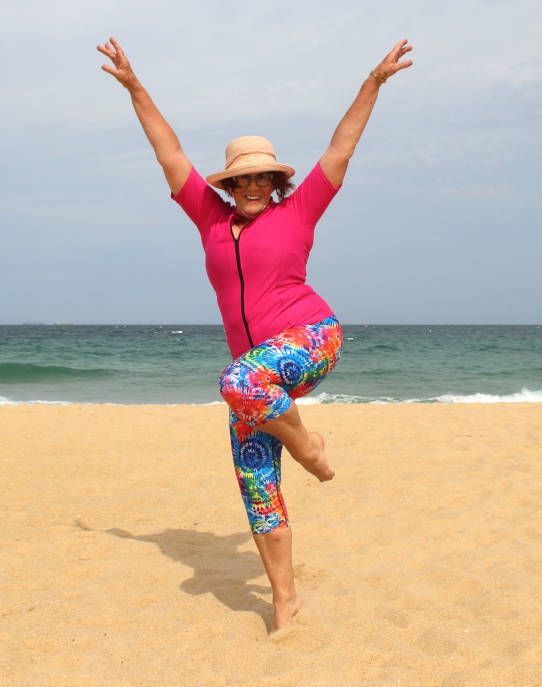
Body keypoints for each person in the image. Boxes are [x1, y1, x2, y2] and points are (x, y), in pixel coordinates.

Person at [97, 36, 413, 632]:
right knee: (255, 482)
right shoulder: (208, 218)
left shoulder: (299, 210)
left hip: (311, 336)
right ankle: (284, 601)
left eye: (261, 178)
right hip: (257, 382)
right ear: (228, 185)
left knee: (235, 379)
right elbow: (169, 153)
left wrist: (374, 81)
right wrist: (136, 88)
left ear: (274, 181)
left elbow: (341, 147)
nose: (250, 188)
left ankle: (307, 446)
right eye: (240, 180)